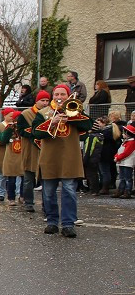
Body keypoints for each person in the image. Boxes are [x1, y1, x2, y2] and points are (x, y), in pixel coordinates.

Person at [30, 84, 93, 237]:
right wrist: (53, 122)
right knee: (49, 192)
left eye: (62, 94)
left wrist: (72, 117)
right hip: (50, 157)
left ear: (68, 96)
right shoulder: (43, 113)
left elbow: (87, 127)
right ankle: (52, 222)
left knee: (69, 191)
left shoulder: (75, 110)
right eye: (56, 94)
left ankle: (68, 224)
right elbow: (36, 133)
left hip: (69, 157)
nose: (59, 97)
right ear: (53, 96)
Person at [17, 91, 52, 212]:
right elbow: (21, 130)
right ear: (37, 101)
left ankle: (46, 204)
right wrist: (35, 133)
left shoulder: (50, 113)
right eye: (42, 100)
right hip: (30, 149)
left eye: (47, 101)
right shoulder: (26, 114)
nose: (45, 103)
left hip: (46, 150)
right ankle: (28, 202)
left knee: (46, 180)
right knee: (28, 179)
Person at [0, 108, 24, 205]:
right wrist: (10, 129)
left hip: (21, 155)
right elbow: (3, 139)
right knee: (11, 179)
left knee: (23, 178)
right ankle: (11, 198)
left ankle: (22, 196)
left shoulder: (23, 128)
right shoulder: (8, 128)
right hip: (11, 156)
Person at [114, 124, 135, 199]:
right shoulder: (126, 142)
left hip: (128, 163)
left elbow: (126, 153)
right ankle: (121, 190)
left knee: (127, 178)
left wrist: (118, 158)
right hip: (123, 162)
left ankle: (127, 191)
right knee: (122, 177)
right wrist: (116, 156)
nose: (122, 134)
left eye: (124, 133)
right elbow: (120, 151)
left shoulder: (131, 143)